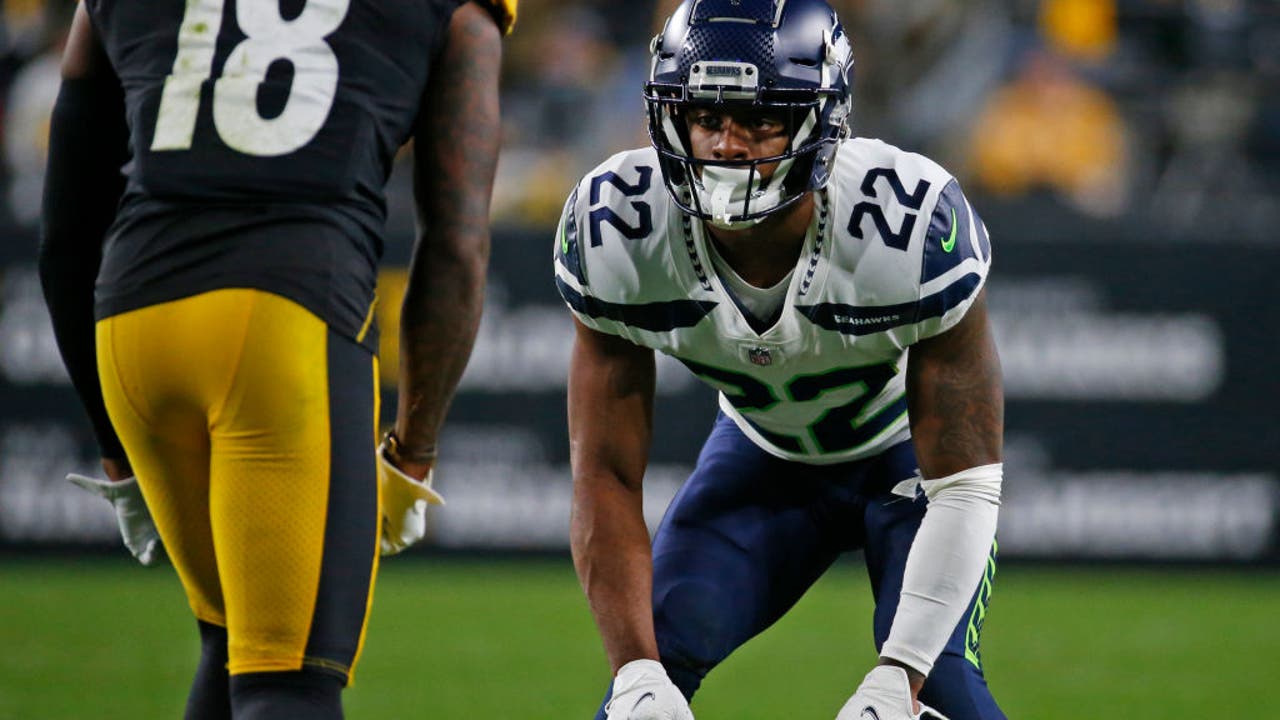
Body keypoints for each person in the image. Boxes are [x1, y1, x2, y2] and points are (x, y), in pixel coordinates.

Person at [38, 0, 512, 717]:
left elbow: (66, 232)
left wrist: (112, 444)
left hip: (132, 318)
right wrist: (414, 451)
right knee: (290, 681)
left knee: (233, 641)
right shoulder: (461, 14)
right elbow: (455, 243)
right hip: (285, 314)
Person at [553, 1, 1004, 719]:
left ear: (821, 120)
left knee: (936, 696)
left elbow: (967, 485)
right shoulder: (619, 230)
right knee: (642, 695)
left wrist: (902, 674)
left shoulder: (908, 224)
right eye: (706, 115)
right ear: (670, 116)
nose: (728, 146)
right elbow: (603, 472)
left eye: (762, 117)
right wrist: (636, 670)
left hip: (908, 468)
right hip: (764, 459)